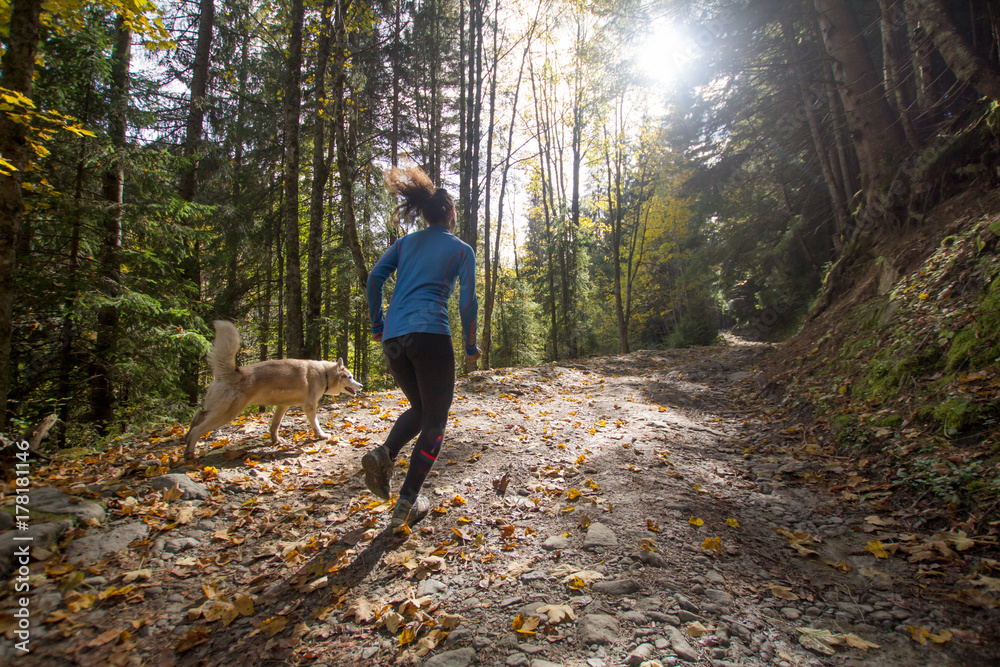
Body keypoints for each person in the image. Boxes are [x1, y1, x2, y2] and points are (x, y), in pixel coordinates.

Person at [363, 166, 482, 535]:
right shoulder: (461, 250)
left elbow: (374, 278)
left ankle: (383, 454)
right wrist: (470, 346)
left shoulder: (404, 243)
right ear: (450, 214)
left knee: (421, 409)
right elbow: (468, 303)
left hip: (395, 340)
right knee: (435, 422)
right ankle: (407, 504)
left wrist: (377, 324)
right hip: (431, 336)